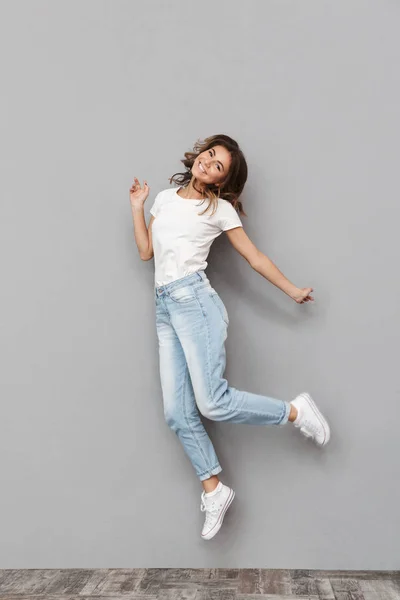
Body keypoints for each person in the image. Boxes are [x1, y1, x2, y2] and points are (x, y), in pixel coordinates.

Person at [130, 134, 330, 541]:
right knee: (176, 413)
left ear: (222, 181)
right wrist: (137, 208)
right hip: (165, 307)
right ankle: (215, 489)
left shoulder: (219, 209)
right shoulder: (165, 199)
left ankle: (294, 411)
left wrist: (291, 289)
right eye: (209, 155)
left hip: (194, 302)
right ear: (198, 155)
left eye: (218, 165)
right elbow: (147, 252)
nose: (209, 163)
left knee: (211, 402)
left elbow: (254, 257)